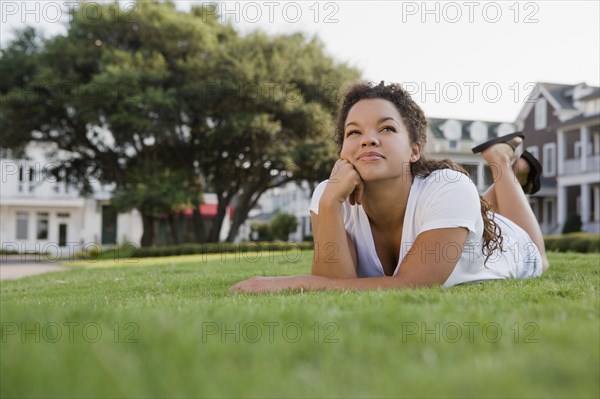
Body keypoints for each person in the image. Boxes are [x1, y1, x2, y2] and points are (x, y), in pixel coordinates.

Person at [230, 82, 549, 293]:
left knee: (539, 257)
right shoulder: (328, 196)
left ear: (414, 150)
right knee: (467, 205)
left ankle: (501, 161)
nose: (368, 138)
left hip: (508, 246)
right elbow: (338, 286)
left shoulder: (450, 187)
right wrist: (328, 205)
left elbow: (412, 285)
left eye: (387, 128)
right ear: (342, 150)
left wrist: (288, 283)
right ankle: (505, 176)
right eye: (353, 132)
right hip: (458, 213)